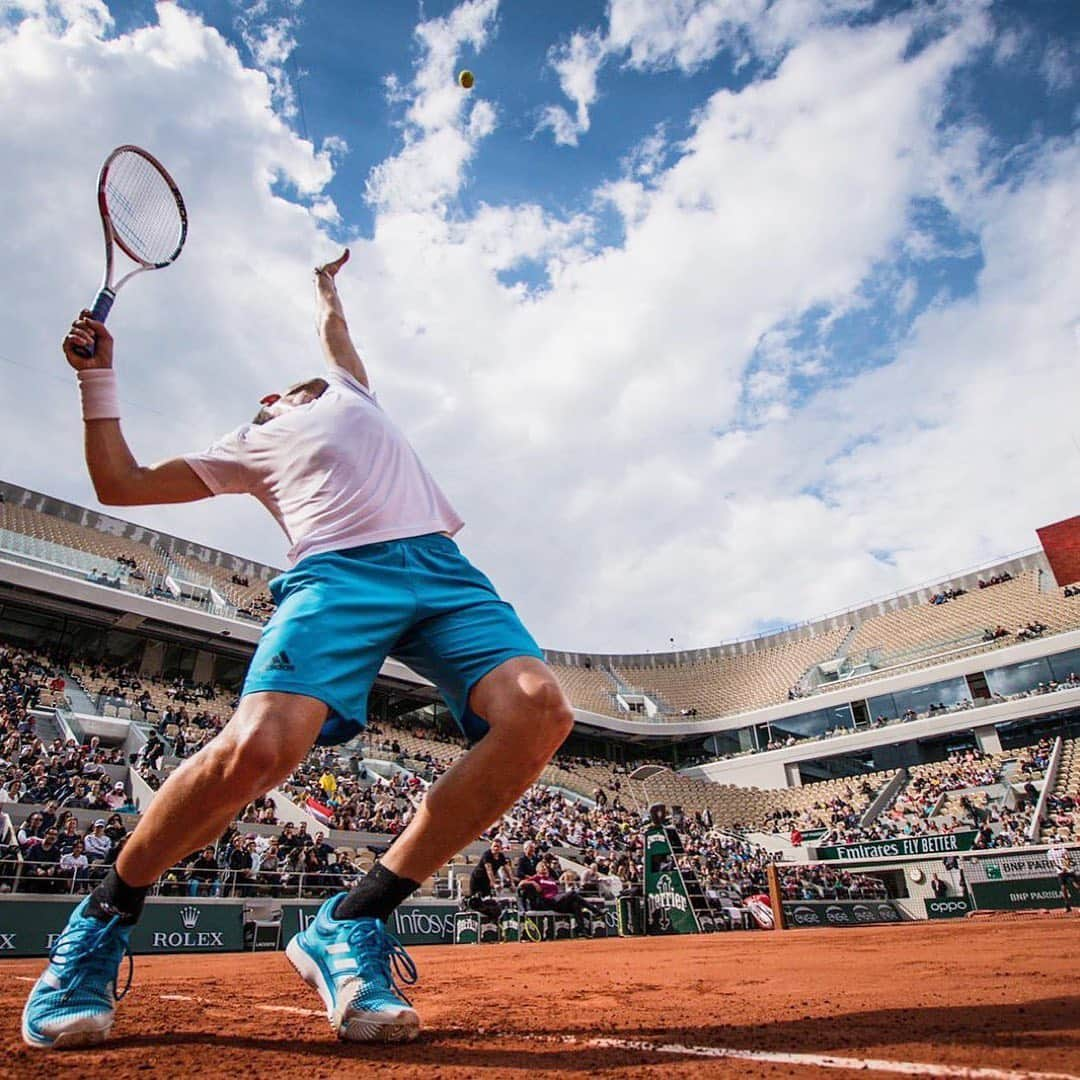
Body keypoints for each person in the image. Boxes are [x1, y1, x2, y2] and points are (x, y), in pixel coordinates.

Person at [24, 249, 573, 1049]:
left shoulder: (352, 388)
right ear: (270, 400)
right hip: (334, 575)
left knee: (539, 709)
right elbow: (122, 484)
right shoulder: (249, 439)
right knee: (260, 750)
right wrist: (96, 380)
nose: (314, 381)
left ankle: (351, 921)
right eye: (296, 384)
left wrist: (326, 287)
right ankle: (101, 921)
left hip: (441, 571)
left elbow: (335, 335)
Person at [1046, 839, 1078, 913]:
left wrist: (1066, 867)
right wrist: (1061, 868)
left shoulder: (1064, 850)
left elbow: (1068, 859)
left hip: (1069, 870)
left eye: (1056, 842)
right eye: (1053, 842)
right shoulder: (1049, 852)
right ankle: (1067, 906)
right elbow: (1053, 862)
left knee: (1077, 885)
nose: (1055, 843)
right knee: (1063, 888)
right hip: (1060, 872)